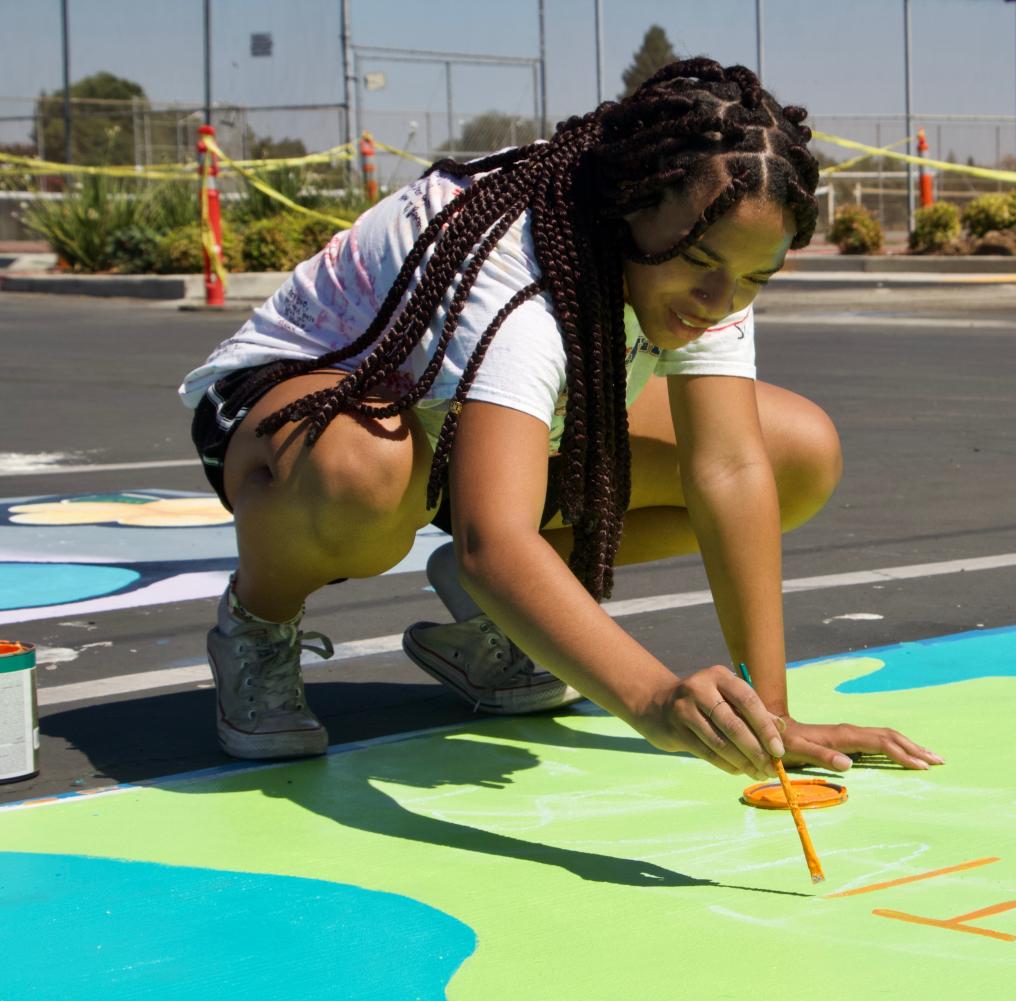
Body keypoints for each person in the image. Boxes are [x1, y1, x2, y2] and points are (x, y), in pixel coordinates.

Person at [179, 58, 943, 781]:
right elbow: (491, 542)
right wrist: (652, 700)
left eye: (752, 277)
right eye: (700, 262)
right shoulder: (522, 271)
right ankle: (258, 623)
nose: (719, 301)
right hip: (297, 415)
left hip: (462, 426)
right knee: (362, 472)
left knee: (794, 457)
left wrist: (770, 716)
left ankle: (494, 625)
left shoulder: (709, 245)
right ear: (628, 212)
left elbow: (729, 467)